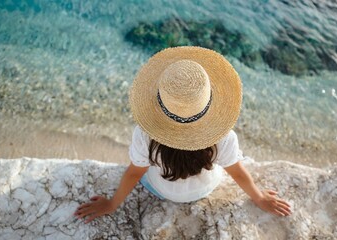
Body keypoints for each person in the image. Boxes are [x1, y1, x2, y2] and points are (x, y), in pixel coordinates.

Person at [74, 46, 291, 223]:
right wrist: (260, 198)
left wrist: (112, 204)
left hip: (162, 191)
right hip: (204, 189)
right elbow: (237, 172)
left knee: (146, 171)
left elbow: (133, 173)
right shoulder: (224, 137)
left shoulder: (145, 135)